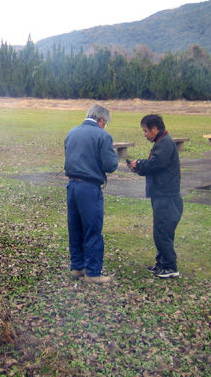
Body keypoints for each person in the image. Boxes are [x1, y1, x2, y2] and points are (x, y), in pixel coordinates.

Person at [64, 104, 119, 283]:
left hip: (72, 185)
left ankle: (77, 267)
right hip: (89, 187)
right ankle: (93, 273)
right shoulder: (103, 136)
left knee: (75, 228)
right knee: (92, 230)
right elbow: (110, 165)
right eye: (105, 123)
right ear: (101, 120)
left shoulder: (72, 132)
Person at [127, 114, 182, 279]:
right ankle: (161, 263)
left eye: (145, 131)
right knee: (160, 231)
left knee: (163, 232)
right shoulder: (161, 142)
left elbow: (155, 164)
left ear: (155, 128)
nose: (145, 134)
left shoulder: (165, 144)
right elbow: (155, 168)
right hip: (161, 195)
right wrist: (138, 168)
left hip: (167, 197)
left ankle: (170, 266)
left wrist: (139, 164)